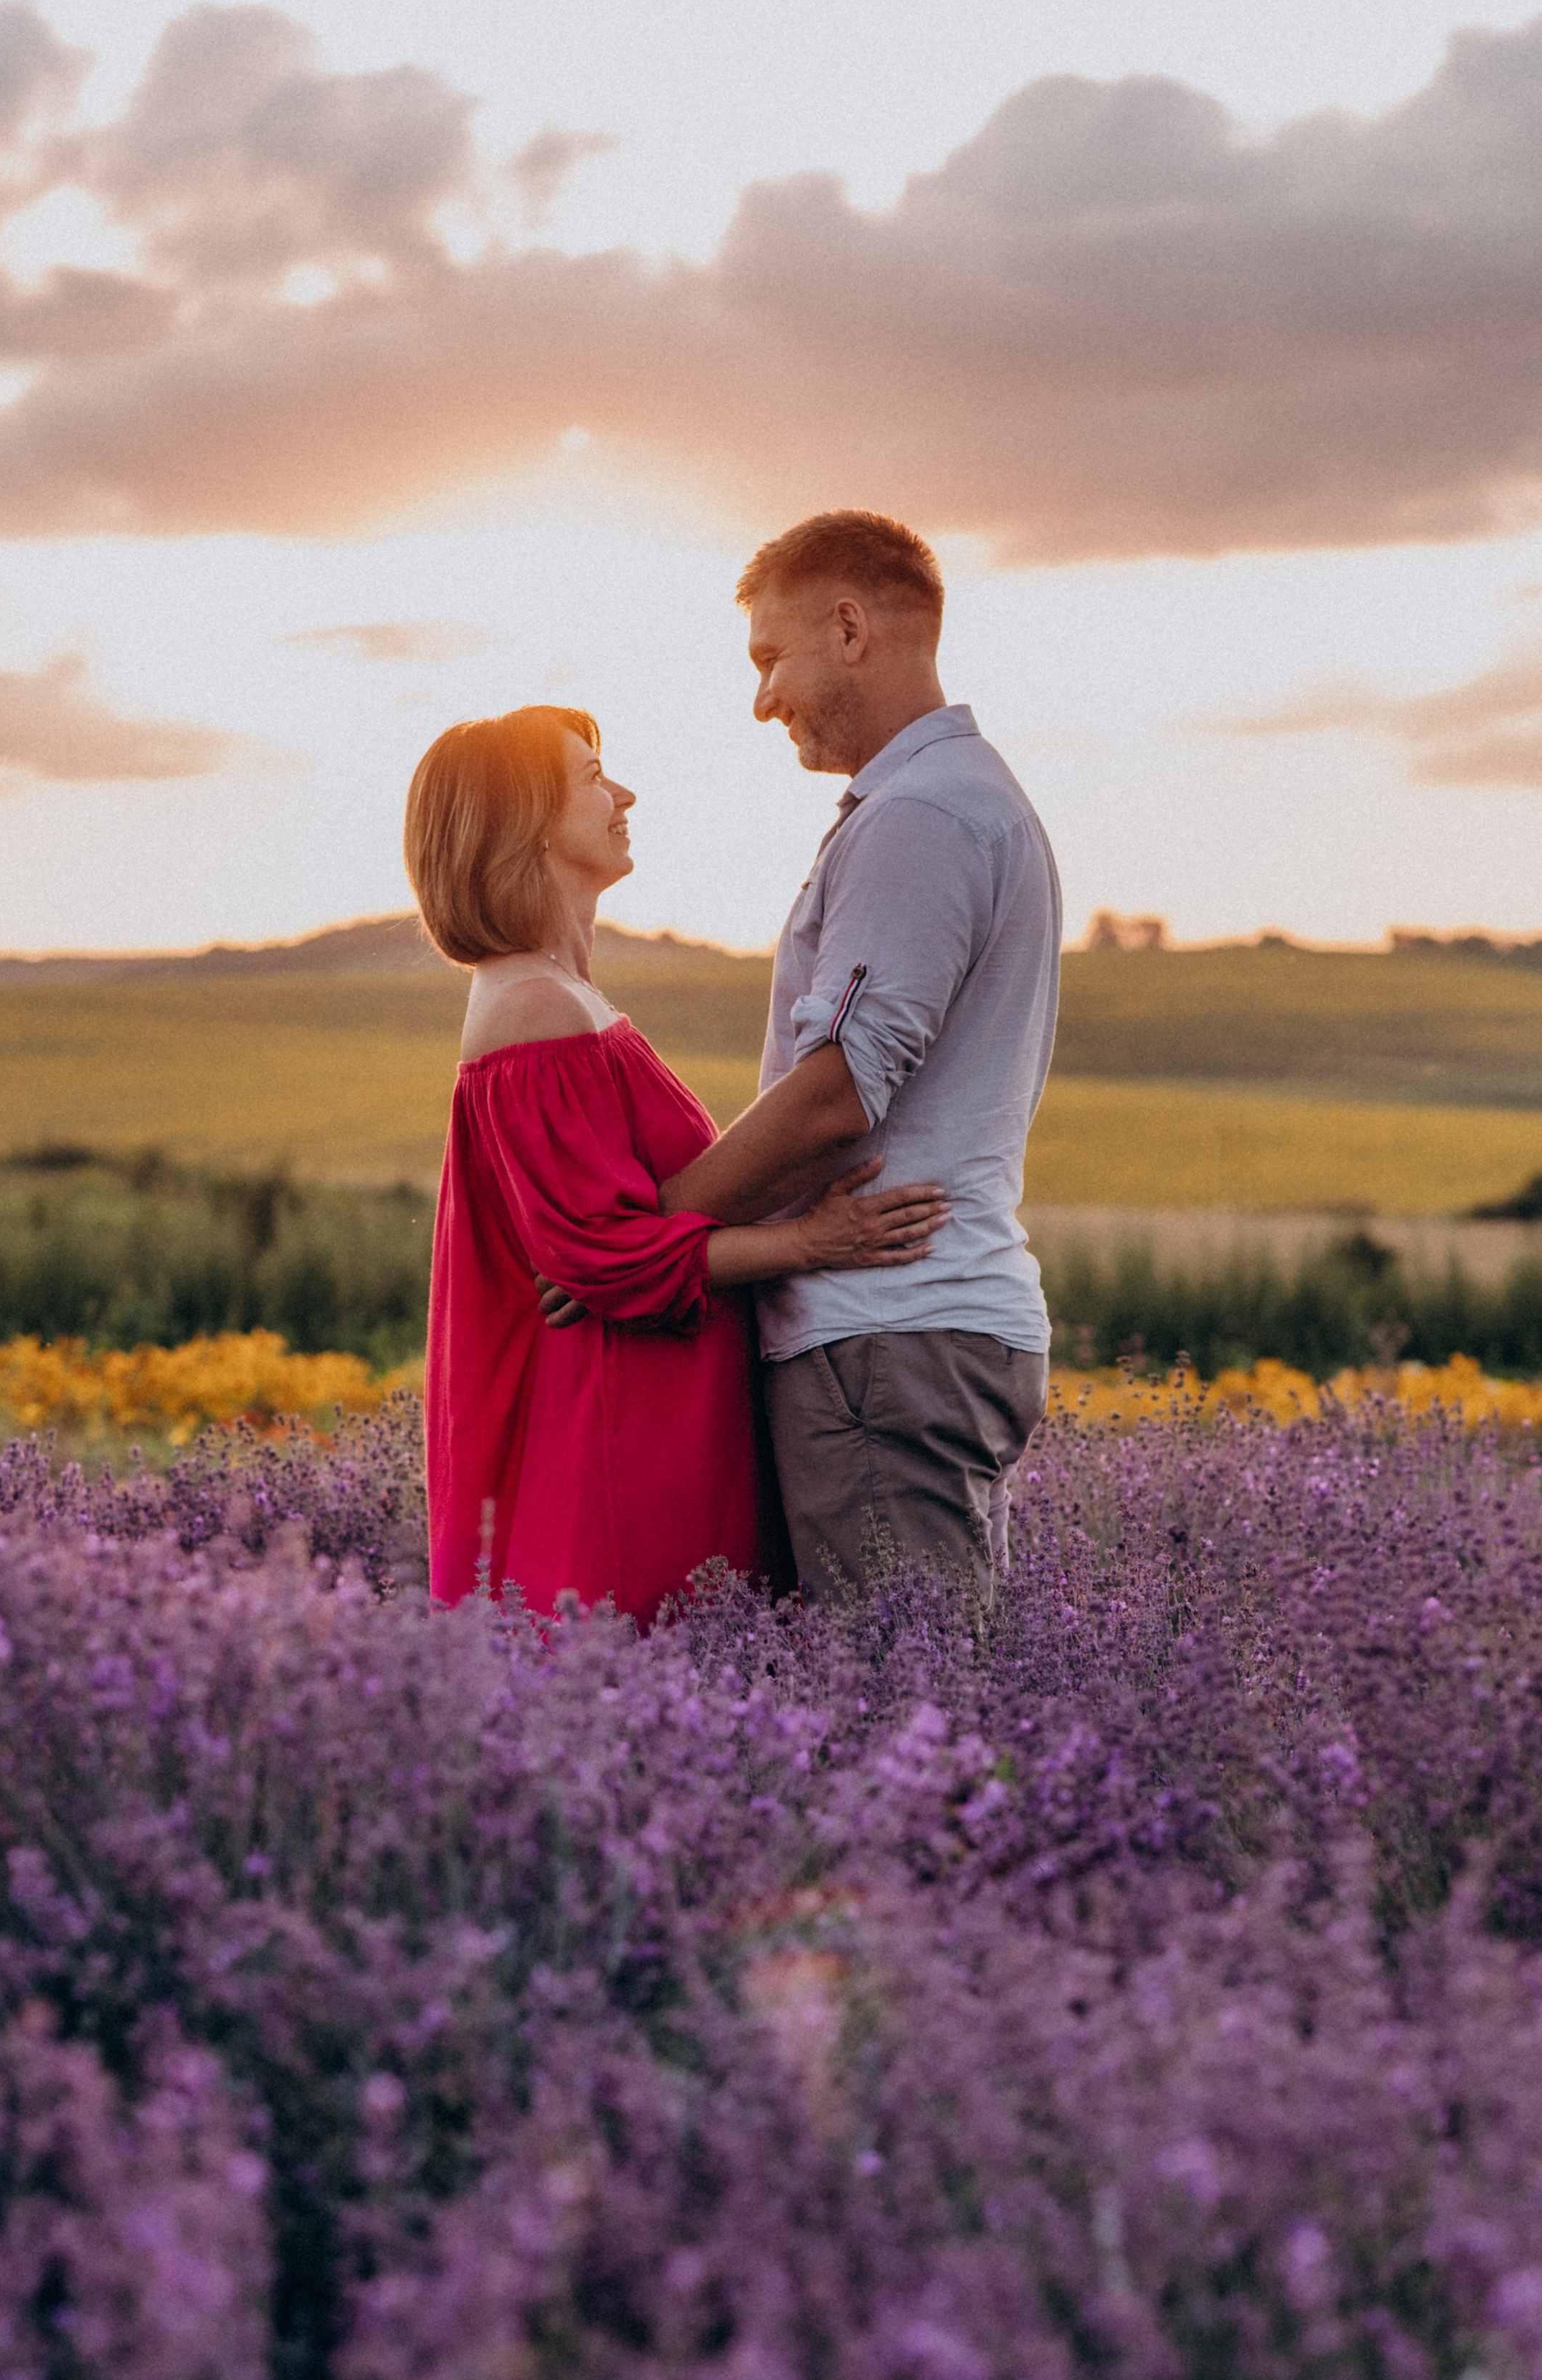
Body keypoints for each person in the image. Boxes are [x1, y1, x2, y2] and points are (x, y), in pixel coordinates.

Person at [408, 703, 948, 1628]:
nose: (623, 794)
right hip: (616, 1432)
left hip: (654, 1414)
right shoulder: (531, 1009)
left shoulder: (565, 998)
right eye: (591, 779)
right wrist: (816, 1241)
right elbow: (603, 1260)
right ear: (526, 821)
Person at [649, 510, 1063, 1601]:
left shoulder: (921, 815)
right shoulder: (951, 801)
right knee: (921, 1705)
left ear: (848, 628)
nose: (761, 699)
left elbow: (837, 1095)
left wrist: (658, 1228)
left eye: (769, 657)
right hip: (914, 1328)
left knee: (898, 1720)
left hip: (888, 1334)